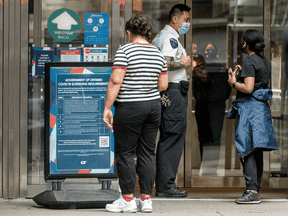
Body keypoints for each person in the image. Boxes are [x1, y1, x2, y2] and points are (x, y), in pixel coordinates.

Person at [103, 13, 168, 213]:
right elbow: (163, 84)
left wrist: (107, 107)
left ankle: (128, 199)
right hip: (153, 107)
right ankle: (146, 200)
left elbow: (116, 80)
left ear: (129, 32)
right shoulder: (157, 53)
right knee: (148, 152)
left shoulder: (125, 51)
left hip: (130, 107)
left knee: (125, 153)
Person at [227, 29, 278, 204]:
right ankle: (256, 187)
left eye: (242, 41)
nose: (241, 43)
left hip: (249, 109)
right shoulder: (264, 61)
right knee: (256, 149)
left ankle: (251, 190)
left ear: (246, 43)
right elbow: (257, 81)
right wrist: (242, 72)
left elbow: (248, 88)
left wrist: (234, 82)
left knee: (246, 148)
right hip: (261, 108)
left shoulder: (249, 61)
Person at [152, 4, 191, 197]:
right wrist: (183, 64)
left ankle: (164, 184)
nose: (188, 23)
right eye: (186, 19)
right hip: (173, 93)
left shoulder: (162, 36)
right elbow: (164, 63)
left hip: (172, 91)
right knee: (172, 136)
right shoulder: (169, 37)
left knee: (169, 136)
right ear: (175, 19)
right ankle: (166, 186)